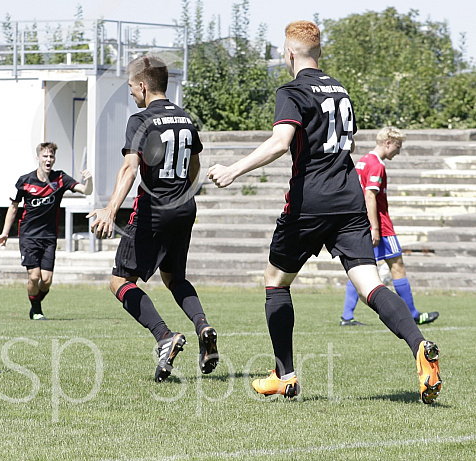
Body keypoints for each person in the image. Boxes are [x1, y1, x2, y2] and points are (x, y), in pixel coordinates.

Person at [207, 21, 441, 404]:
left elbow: (281, 142)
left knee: (275, 282)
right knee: (372, 284)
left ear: (289, 53)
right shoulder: (340, 89)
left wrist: (233, 169)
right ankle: (419, 345)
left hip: (310, 201)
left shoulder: (293, 90)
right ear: (319, 52)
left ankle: (286, 374)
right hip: (349, 199)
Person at [87, 55, 219, 383]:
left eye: (131, 87)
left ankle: (164, 337)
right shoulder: (186, 119)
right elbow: (194, 167)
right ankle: (203, 326)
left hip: (153, 212)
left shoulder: (140, 120)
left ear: (143, 86)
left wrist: (110, 209)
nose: (131, 93)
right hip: (184, 208)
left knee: (120, 280)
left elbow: (130, 168)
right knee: (174, 277)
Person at [340, 127, 439, 326]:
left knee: (360, 269)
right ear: (387, 143)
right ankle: (412, 314)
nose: (398, 151)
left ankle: (347, 316)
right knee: (397, 266)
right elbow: (370, 196)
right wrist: (375, 227)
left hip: (361, 223)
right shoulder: (377, 165)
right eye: (397, 146)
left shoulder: (362, 161)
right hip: (380, 226)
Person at [0, 142, 93, 320]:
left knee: (46, 280)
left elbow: (86, 191)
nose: (48, 159)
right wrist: (5, 232)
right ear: (38, 158)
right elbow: (13, 207)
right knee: (34, 277)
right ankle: (36, 309)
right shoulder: (25, 181)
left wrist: (89, 180)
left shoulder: (60, 179)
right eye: (45, 156)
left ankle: (35, 303)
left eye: (51, 156)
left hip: (49, 236)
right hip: (28, 236)